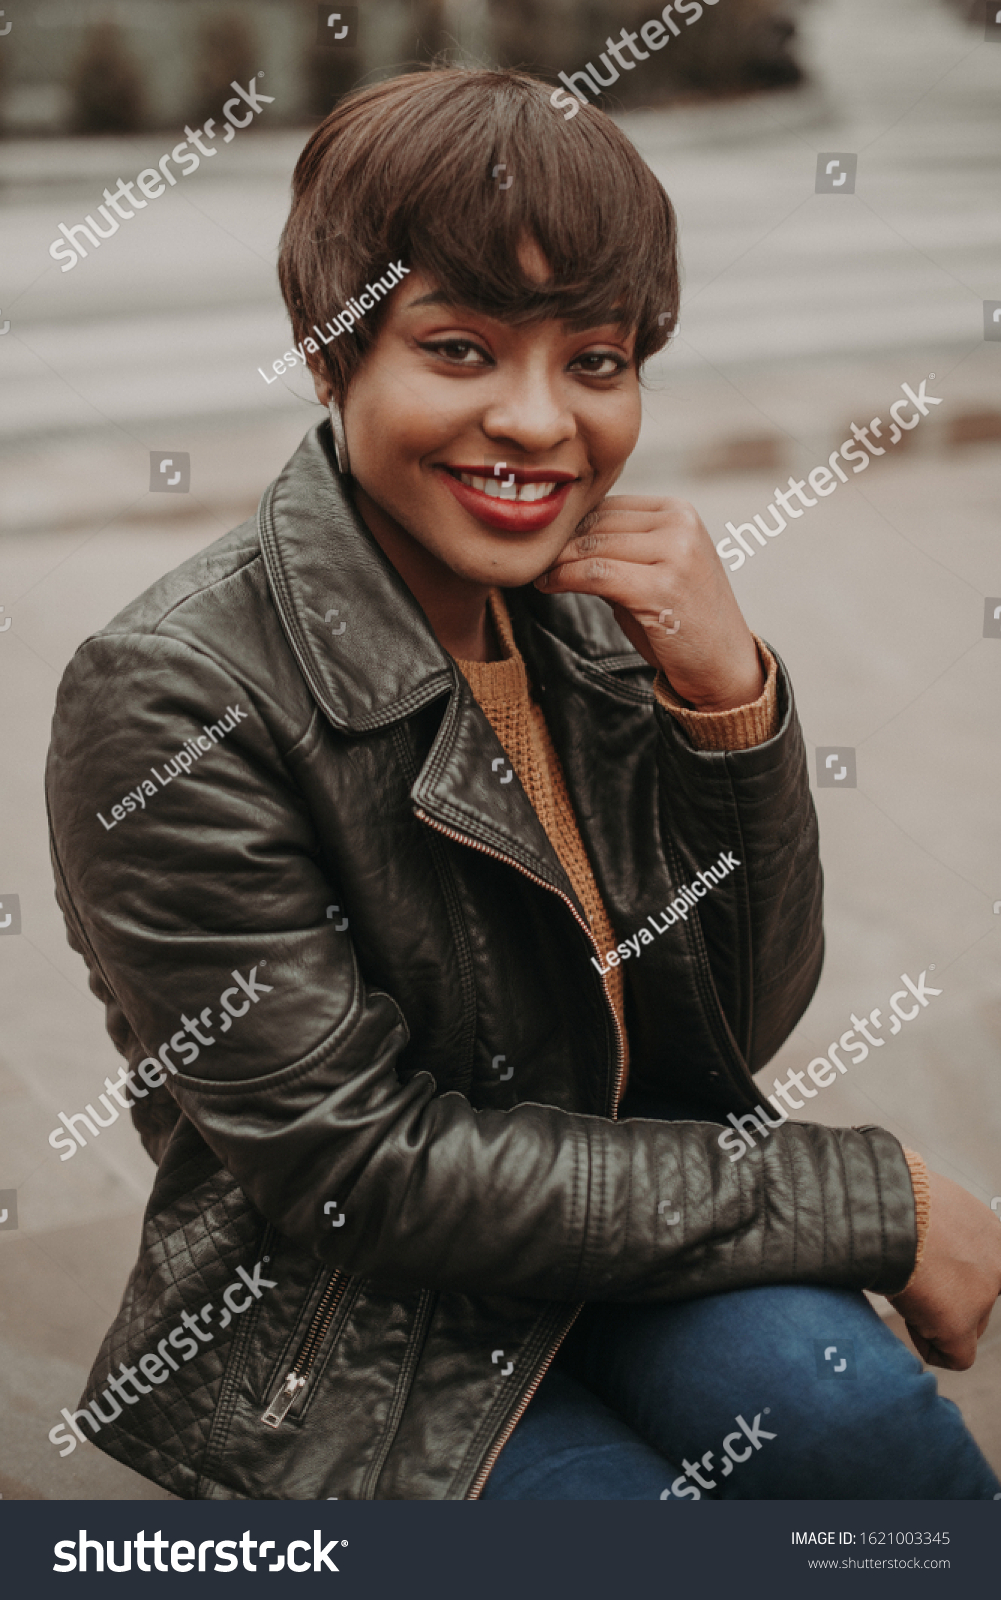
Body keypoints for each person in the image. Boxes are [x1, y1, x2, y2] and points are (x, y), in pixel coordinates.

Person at [45, 66, 1000, 1501]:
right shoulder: (170, 695)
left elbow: (723, 1030)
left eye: (595, 361)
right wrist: (870, 1200)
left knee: (866, 1447)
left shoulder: (588, 624)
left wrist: (726, 704)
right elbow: (360, 1163)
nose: (540, 422)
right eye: (459, 348)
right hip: (344, 1329)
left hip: (636, 1223)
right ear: (330, 353)